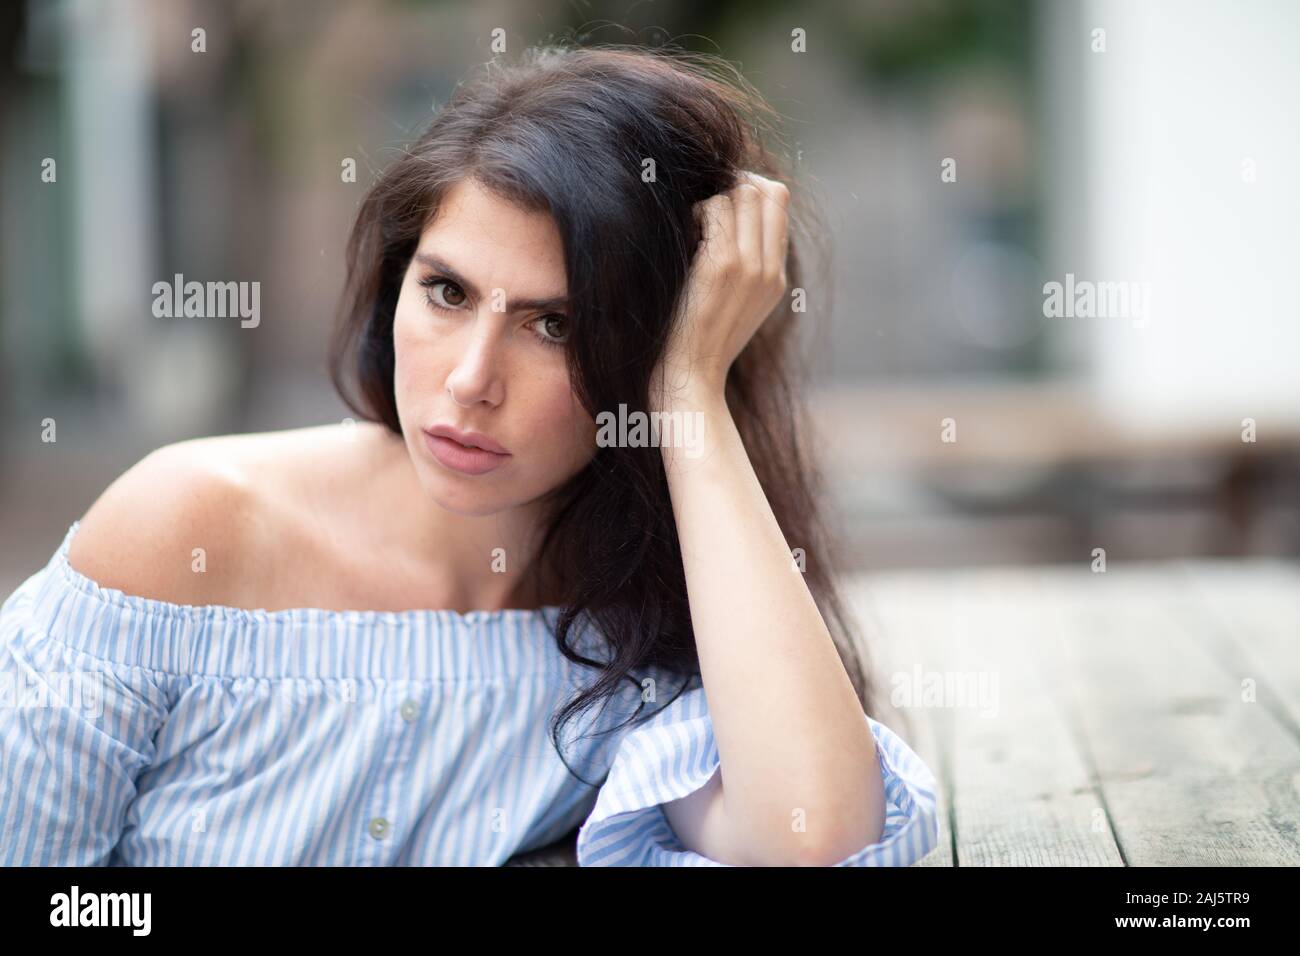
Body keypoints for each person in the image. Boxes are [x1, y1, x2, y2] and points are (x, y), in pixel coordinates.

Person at [0, 44, 938, 866]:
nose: (470, 381)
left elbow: (814, 835)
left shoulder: (638, 619)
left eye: (556, 325)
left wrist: (689, 397)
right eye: (446, 291)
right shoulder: (184, 531)